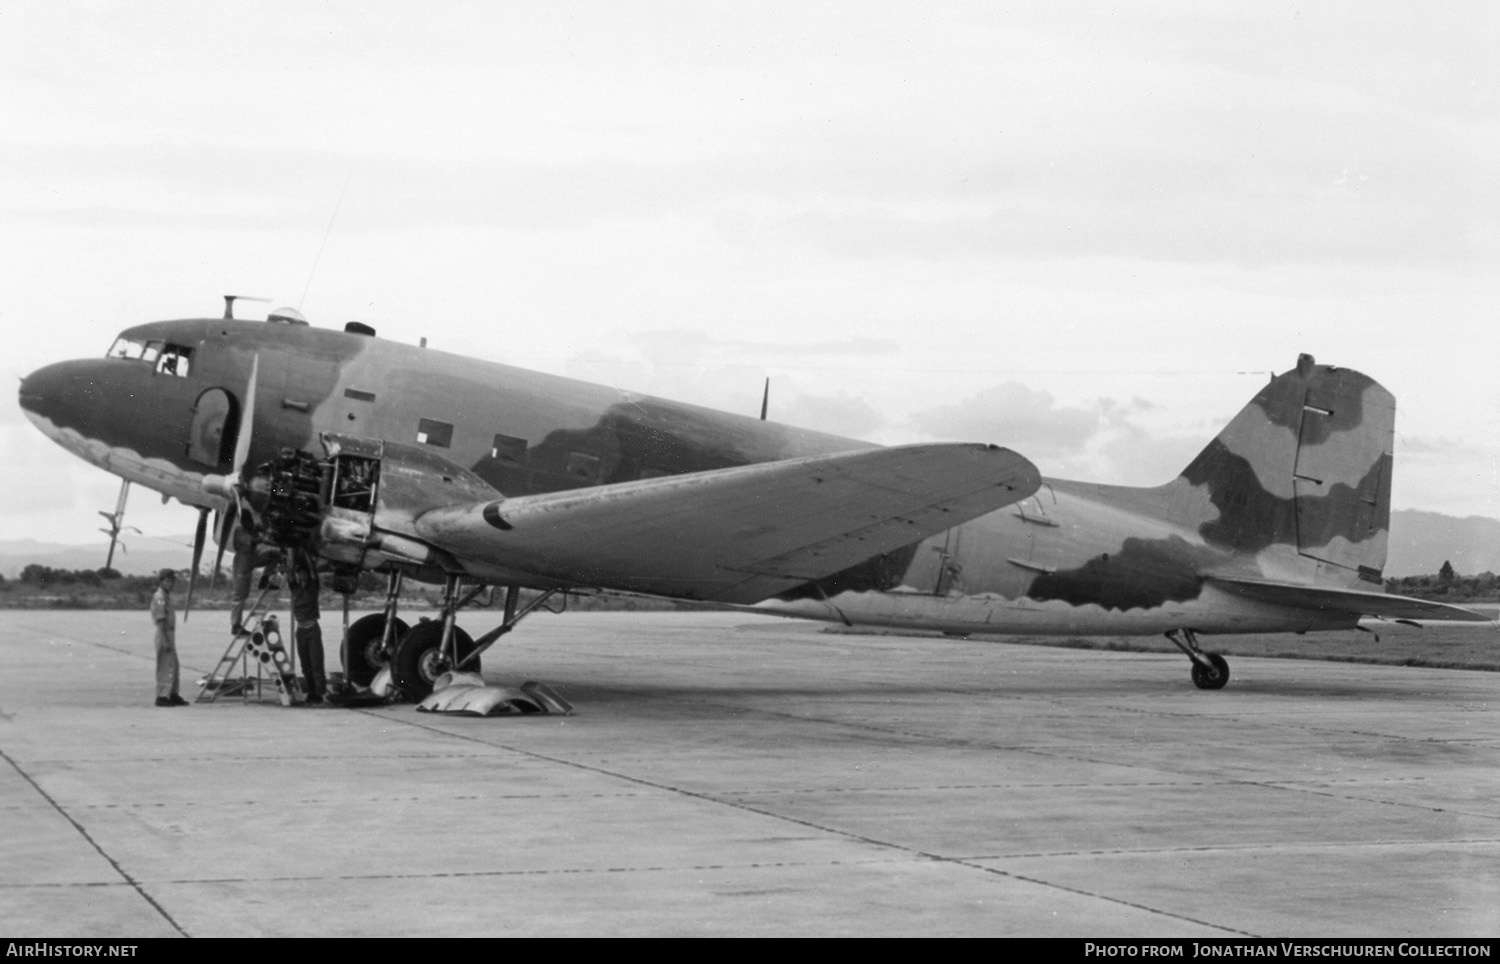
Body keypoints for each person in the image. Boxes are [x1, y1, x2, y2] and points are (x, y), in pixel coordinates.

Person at [289, 551, 326, 704]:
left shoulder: (313, 588)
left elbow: (314, 574)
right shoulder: (295, 590)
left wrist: (308, 558)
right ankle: (311, 692)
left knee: (316, 663)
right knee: (305, 665)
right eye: (300, 575)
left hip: (312, 629)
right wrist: (291, 554)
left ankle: (319, 693)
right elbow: (290, 574)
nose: (302, 577)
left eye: (304, 575)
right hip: (301, 631)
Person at [150, 569, 188, 707]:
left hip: (169, 635)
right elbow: (160, 620)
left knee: (174, 666)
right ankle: (162, 696)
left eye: (172, 581)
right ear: (161, 581)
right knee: (166, 667)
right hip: (164, 634)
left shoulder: (166, 596)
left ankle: (172, 693)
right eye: (167, 581)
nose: (170, 583)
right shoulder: (160, 597)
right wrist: (165, 640)